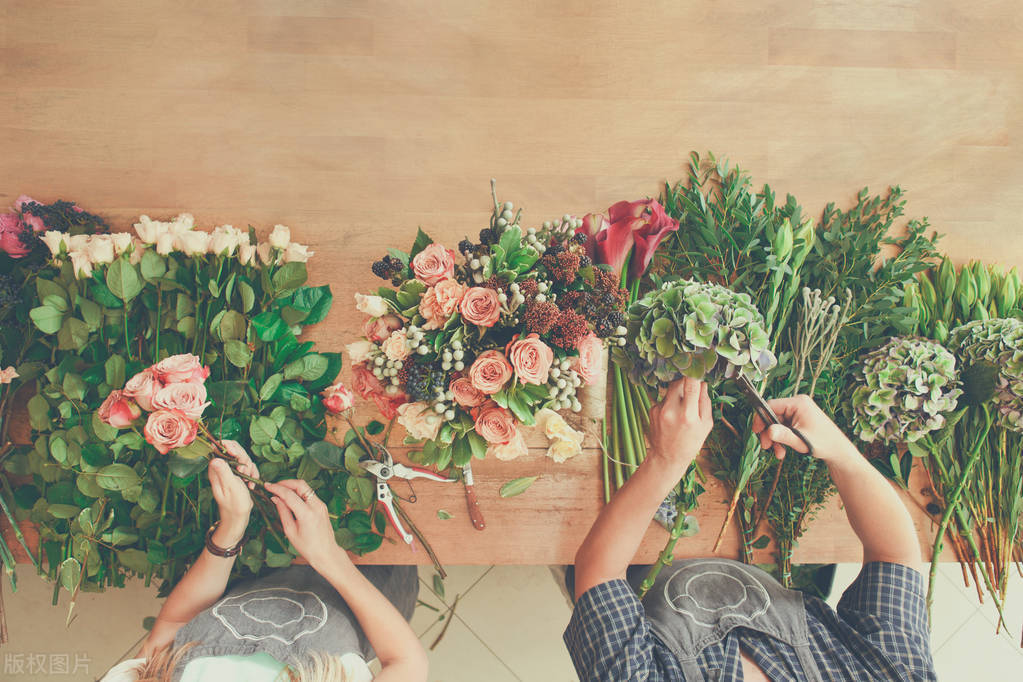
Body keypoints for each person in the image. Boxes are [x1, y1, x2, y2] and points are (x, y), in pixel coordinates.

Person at [565, 377, 937, 681]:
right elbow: (895, 555)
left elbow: (598, 575)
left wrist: (665, 461)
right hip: (732, 555)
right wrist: (838, 451)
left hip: (622, 561)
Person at [101, 441, 429, 682]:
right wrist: (328, 557)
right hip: (372, 579)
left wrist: (233, 524)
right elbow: (405, 661)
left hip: (263, 561)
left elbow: (174, 622)